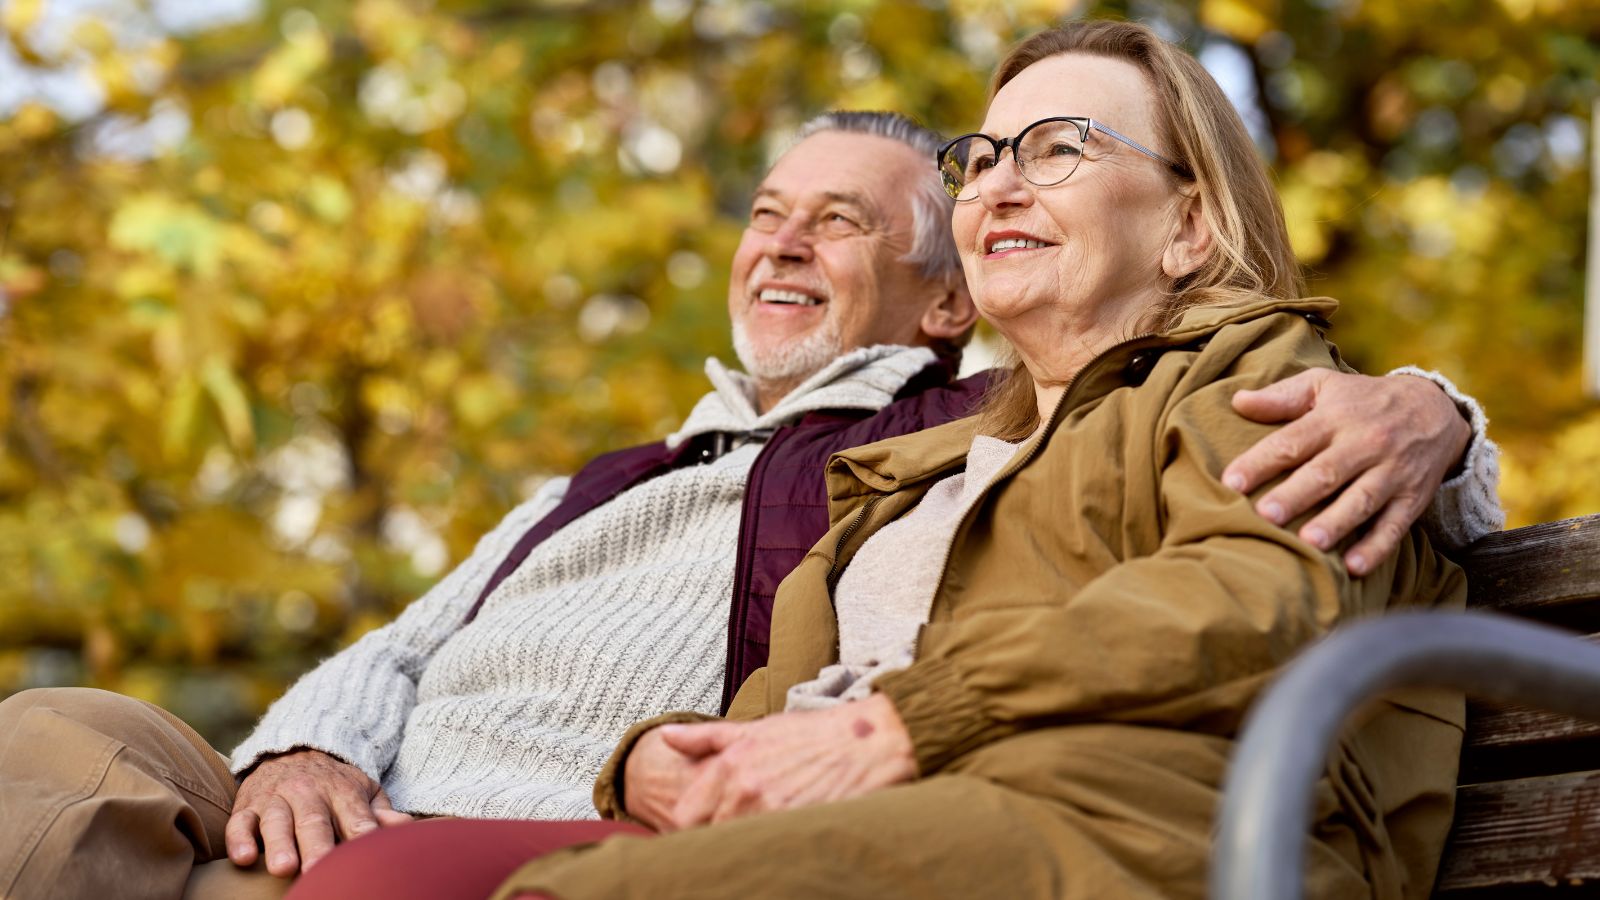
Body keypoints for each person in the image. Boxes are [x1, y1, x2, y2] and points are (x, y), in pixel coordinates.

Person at [0, 102, 1495, 899]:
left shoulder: (954, 423)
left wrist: (1437, 408)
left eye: (840, 223)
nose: (780, 246)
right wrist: (305, 748)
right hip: (357, 801)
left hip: (558, 831)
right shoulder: (610, 474)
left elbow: (1223, 430)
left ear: (941, 303)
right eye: (767, 214)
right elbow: (406, 640)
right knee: (48, 746)